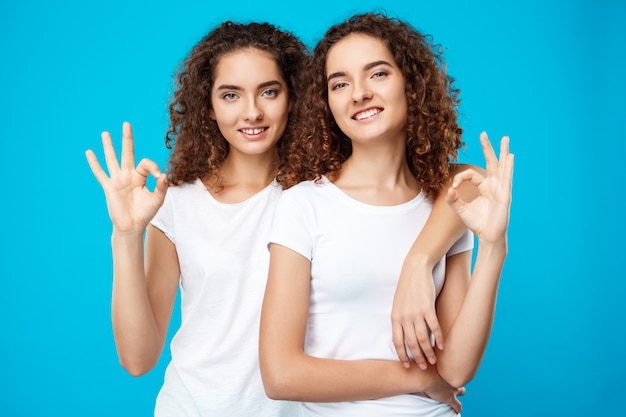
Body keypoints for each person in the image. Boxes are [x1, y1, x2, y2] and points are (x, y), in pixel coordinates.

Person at [259, 12, 514, 417]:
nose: (358, 93)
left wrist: (492, 248)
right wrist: (421, 379)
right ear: (328, 104)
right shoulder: (303, 205)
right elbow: (280, 376)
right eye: (339, 83)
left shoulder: (448, 207)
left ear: (411, 86)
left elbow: (458, 368)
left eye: (377, 74)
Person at [84, 21, 309, 417]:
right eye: (231, 95)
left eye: (269, 92)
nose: (252, 111)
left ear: (292, 98)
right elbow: (138, 359)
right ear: (209, 104)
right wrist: (126, 235)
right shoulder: (177, 203)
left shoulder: (319, 195)